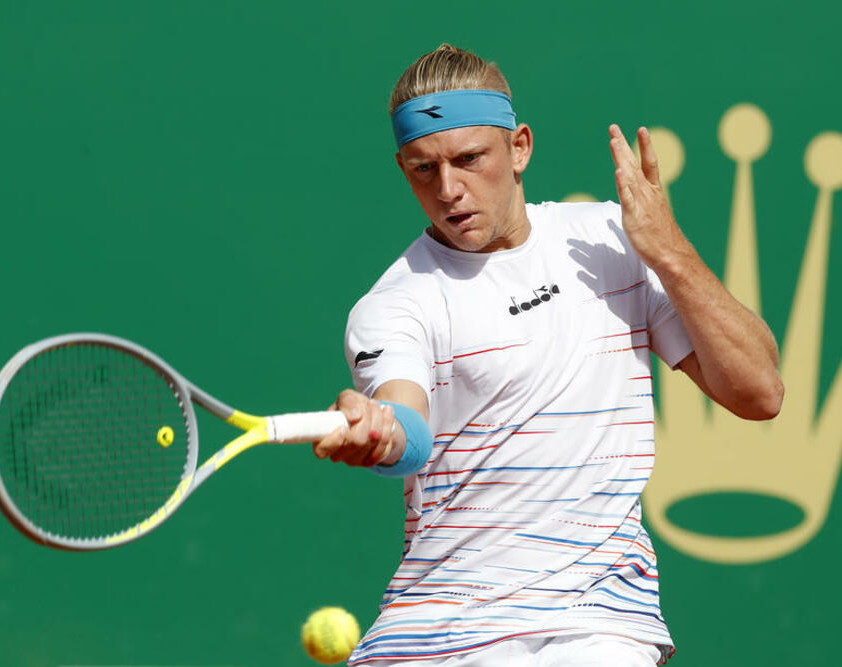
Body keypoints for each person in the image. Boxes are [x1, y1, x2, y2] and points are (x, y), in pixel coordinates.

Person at [312, 44, 783, 666]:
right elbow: (409, 427)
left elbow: (759, 392)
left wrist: (669, 251)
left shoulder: (612, 239)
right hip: (435, 636)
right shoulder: (395, 304)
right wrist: (381, 432)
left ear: (520, 147)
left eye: (469, 159)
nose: (448, 189)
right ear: (404, 169)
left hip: (595, 625)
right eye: (424, 169)